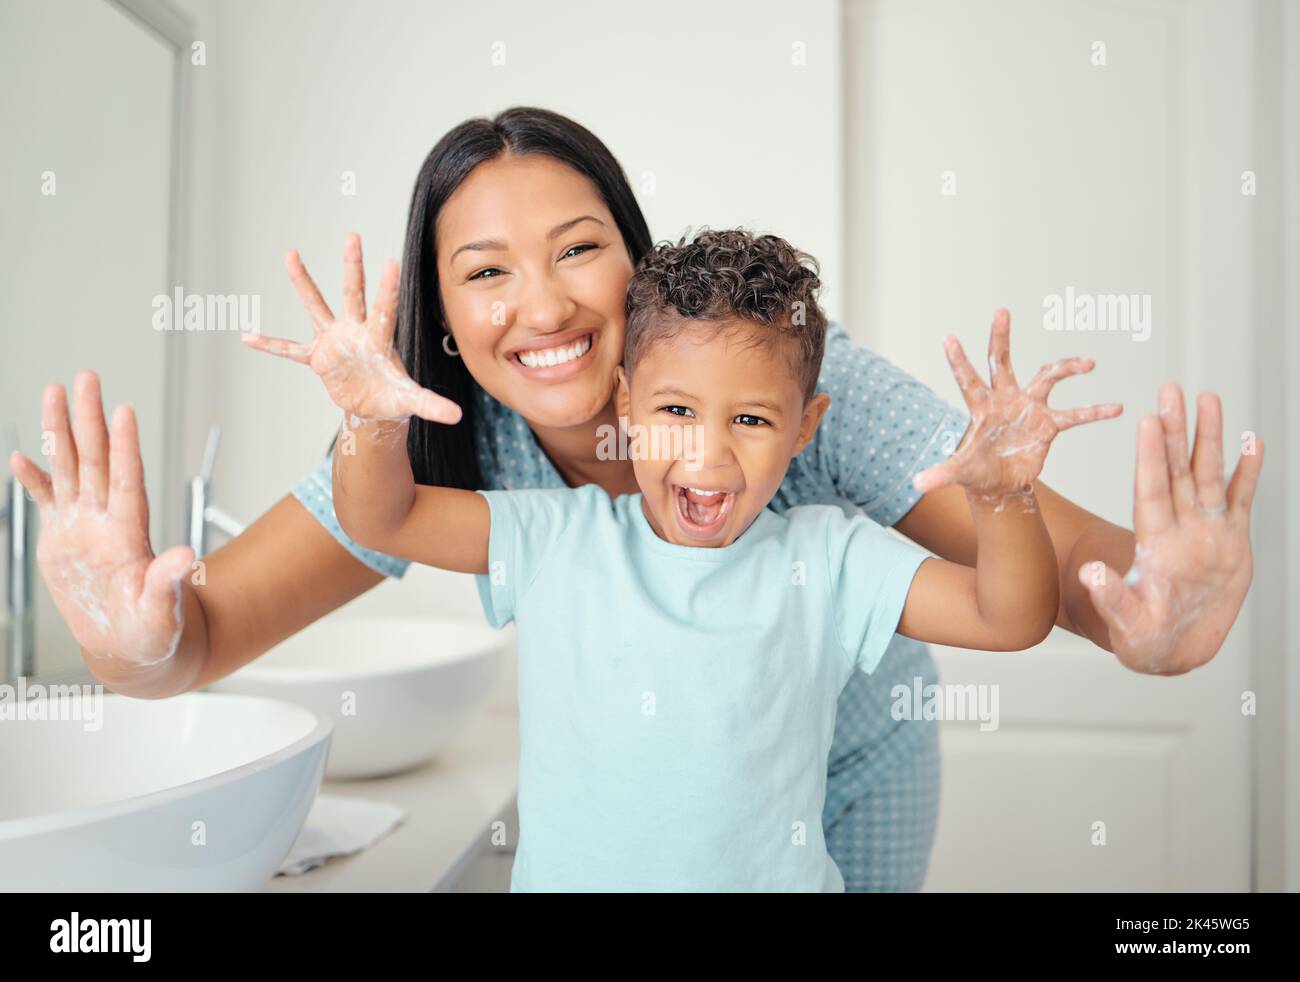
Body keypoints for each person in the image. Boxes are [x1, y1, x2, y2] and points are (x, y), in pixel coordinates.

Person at [7, 108, 1263, 892]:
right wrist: (132, 640)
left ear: (638, 257)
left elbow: (1070, 582)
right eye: (484, 271)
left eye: (576, 247)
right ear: (439, 317)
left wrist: (1146, 621)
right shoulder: (441, 444)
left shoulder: (788, 386)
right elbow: (199, 637)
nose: (541, 307)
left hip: (850, 777)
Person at [262, 227, 1119, 890]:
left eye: (750, 420)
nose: (708, 456)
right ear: (627, 404)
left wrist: (1004, 497)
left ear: (806, 426)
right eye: (676, 410)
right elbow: (380, 514)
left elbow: (1011, 619)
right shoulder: (556, 539)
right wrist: (369, 416)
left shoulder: (830, 561)